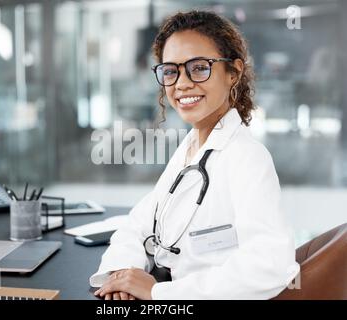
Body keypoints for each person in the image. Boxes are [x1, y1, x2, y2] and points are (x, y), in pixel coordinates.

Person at [90, 10, 299, 300]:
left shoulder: (247, 157)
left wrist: (160, 292)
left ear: (233, 72)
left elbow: (270, 265)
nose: (182, 83)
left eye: (199, 67)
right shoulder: (191, 148)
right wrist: (123, 273)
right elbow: (138, 222)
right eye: (170, 70)